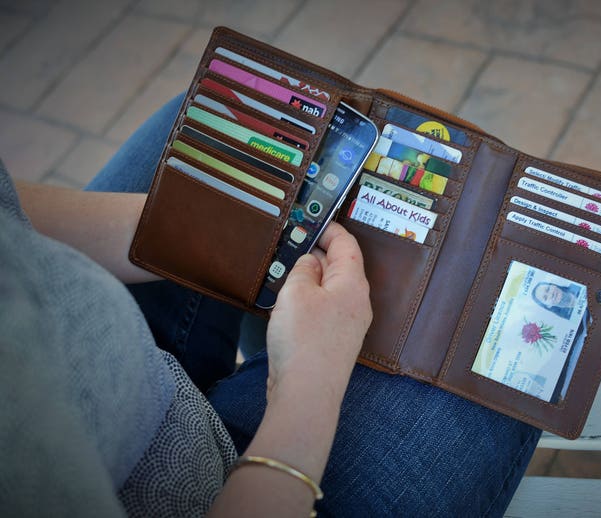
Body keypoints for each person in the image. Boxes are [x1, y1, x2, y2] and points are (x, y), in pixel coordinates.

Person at [0, 94, 540, 517]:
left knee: (209, 127)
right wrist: (308, 382)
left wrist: (205, 228)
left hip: (104, 357)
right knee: (497, 314)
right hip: (221, 490)